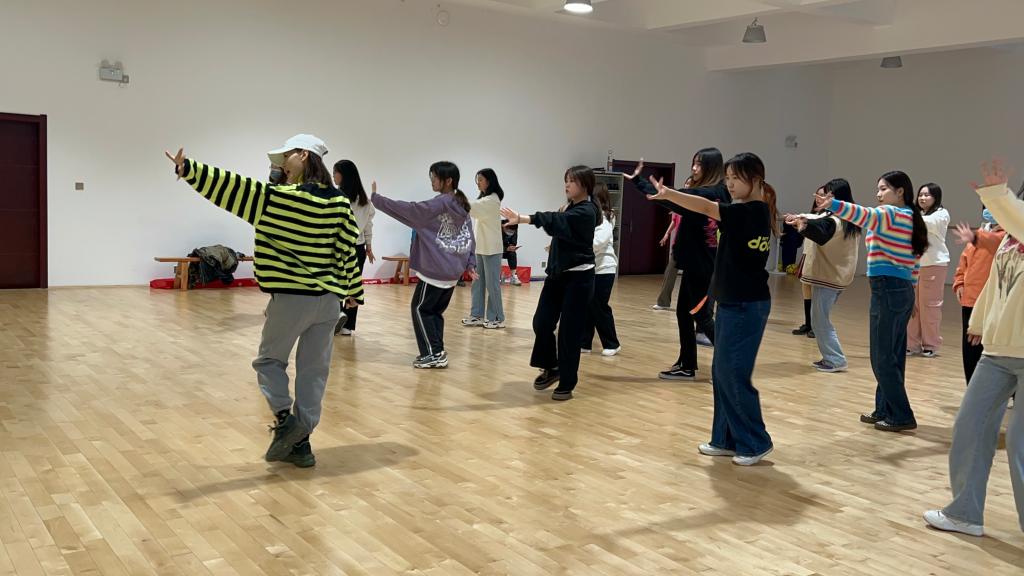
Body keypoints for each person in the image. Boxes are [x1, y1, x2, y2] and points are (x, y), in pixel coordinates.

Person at [164, 134, 363, 468]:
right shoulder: (340, 204)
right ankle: (302, 444)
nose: (281, 166)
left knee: (269, 362)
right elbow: (347, 250)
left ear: (303, 155)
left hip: (291, 299)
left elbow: (233, 188)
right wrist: (354, 291)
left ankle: (286, 422)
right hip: (329, 301)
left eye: (286, 158)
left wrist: (190, 170)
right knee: (314, 372)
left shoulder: (277, 200)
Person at [647, 152, 778, 465]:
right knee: (722, 373)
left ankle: (755, 442)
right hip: (733, 301)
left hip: (747, 303)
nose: (729, 184)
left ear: (755, 180)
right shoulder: (747, 210)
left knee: (733, 374)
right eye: (727, 178)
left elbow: (706, 207)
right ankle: (725, 439)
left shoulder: (752, 211)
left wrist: (670, 194)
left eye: (736, 178)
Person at [924, 159, 1024, 537]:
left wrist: (999, 194)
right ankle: (965, 513)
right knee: (969, 427)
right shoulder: (1010, 240)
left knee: (1019, 443)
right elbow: (998, 284)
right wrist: (980, 323)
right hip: (998, 352)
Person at [821, 170, 929, 432]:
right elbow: (915, 262)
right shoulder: (911, 217)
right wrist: (912, 295)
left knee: (881, 357)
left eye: (883, 189)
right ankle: (885, 409)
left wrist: (834, 204)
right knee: (892, 356)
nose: (878, 194)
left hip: (888, 289)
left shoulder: (889, 214)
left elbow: (863, 215)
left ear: (900, 191)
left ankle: (901, 415)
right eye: (878, 189)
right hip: (901, 290)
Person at [626, 150, 730, 381]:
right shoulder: (717, 192)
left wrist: (640, 182)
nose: (694, 168)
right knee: (684, 313)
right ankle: (687, 365)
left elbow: (673, 198)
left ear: (711, 167)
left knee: (701, 315)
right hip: (697, 263)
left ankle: (730, 364)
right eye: (693, 163)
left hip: (702, 265)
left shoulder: (708, 194)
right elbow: (674, 200)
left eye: (699, 164)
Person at [500, 166, 600, 401]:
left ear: (585, 184)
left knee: (569, 332)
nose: (567, 184)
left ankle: (567, 381)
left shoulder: (587, 211)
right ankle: (552, 366)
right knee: (541, 323)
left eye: (572, 181)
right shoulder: (569, 208)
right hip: (557, 276)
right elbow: (558, 224)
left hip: (579, 278)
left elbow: (557, 220)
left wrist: (524, 218)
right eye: (566, 180)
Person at [372, 162, 477, 368]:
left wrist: (378, 199)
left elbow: (410, 210)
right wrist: (470, 263)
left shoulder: (441, 203)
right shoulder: (460, 204)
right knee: (433, 312)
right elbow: (470, 237)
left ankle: (434, 353)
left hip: (436, 270)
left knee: (421, 309)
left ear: (448, 181)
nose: (432, 181)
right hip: (452, 271)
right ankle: (437, 352)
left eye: (435, 177)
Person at [785, 179, 861, 372]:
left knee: (820, 320)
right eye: (824, 195)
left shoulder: (836, 221)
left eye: (829, 195)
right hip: (835, 276)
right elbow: (815, 219)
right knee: (819, 318)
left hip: (829, 277)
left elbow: (821, 230)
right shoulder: (846, 218)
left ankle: (835, 359)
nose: (825, 199)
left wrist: (802, 224)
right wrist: (800, 219)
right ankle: (831, 358)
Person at [951, 212, 1005, 383]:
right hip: (969, 300)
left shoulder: (1008, 235)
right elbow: (963, 263)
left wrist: (976, 237)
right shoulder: (981, 232)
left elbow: (993, 242)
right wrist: (959, 283)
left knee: (991, 351)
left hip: (992, 301)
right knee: (970, 353)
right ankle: (972, 389)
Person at [333, 160, 375, 336]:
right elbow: (368, 227)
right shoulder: (364, 201)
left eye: (335, 172)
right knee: (354, 286)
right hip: (358, 248)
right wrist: (369, 247)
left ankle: (335, 319)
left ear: (344, 175)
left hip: (338, 248)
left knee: (335, 284)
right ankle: (347, 326)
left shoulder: (337, 198)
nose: (333, 175)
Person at [907, 183, 951, 357]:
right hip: (914, 265)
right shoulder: (915, 214)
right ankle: (911, 344)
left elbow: (930, 224)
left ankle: (931, 344)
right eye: (920, 195)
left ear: (935, 197)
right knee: (912, 306)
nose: (922, 198)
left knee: (930, 306)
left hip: (934, 265)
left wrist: (907, 215)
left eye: (927, 195)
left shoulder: (941, 214)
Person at [463, 169, 506, 329]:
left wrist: (455, 198)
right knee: (478, 283)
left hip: (492, 249)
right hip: (480, 247)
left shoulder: (492, 200)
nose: (478, 183)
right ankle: (477, 315)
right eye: (477, 180)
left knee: (492, 285)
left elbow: (472, 207)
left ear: (489, 181)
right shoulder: (484, 199)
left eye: (480, 180)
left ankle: (497, 317)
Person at [582, 183, 621, 356]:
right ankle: (585, 343)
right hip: (592, 268)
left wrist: (578, 247)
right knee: (588, 306)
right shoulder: (593, 216)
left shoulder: (605, 218)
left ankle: (612, 343)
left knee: (599, 306)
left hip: (605, 269)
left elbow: (597, 242)